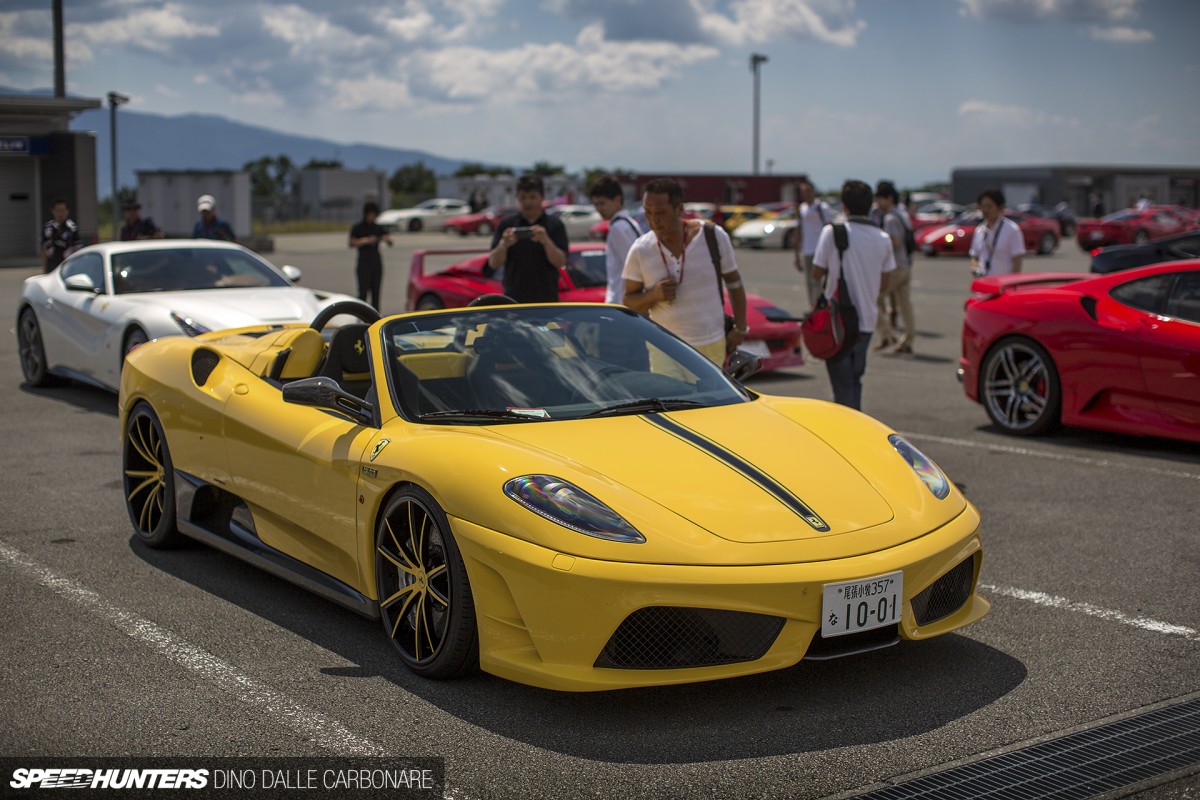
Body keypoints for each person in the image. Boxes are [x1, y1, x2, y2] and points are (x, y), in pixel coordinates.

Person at [622, 177, 748, 365]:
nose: (653, 220)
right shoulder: (641, 249)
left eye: (660, 213)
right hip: (665, 349)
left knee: (711, 396)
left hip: (710, 345)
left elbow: (734, 283)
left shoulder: (713, 237)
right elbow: (628, 302)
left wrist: (740, 329)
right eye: (648, 213)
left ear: (679, 209)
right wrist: (653, 296)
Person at [811, 180, 895, 410]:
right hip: (866, 321)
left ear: (844, 206)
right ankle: (854, 424)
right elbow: (885, 282)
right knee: (854, 381)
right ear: (870, 206)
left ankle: (848, 435)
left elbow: (816, 273)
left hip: (837, 321)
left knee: (842, 388)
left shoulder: (832, 232)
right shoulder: (883, 238)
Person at [485, 174, 568, 303]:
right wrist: (504, 244)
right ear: (517, 199)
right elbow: (493, 263)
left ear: (542, 197)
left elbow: (560, 262)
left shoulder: (554, 224)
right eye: (523, 197)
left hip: (546, 300)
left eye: (532, 197)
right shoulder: (507, 223)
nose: (528, 202)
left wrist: (546, 241)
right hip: (514, 299)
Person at [871, 181, 915, 354]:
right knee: (905, 305)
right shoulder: (902, 213)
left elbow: (895, 243)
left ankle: (886, 334)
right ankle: (908, 339)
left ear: (888, 198)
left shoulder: (889, 218)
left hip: (895, 267)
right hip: (906, 265)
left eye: (880, 199)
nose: (878, 203)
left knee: (873, 299)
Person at [587, 174, 642, 305]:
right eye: (596, 204)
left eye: (602, 203)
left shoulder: (618, 227)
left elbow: (632, 267)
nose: (599, 209)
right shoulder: (629, 223)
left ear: (617, 200)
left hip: (620, 301)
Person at [792, 178, 835, 310]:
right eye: (803, 192)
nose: (806, 194)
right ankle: (814, 307)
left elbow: (830, 227)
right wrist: (796, 254)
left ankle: (822, 306)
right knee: (810, 281)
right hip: (807, 249)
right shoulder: (802, 209)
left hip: (821, 249)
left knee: (821, 280)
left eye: (808, 191)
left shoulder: (822, 208)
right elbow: (799, 231)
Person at [969, 188, 1024, 277]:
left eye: (989, 206)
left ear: (1000, 207)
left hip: (1003, 287)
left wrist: (1013, 285)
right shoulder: (979, 230)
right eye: (983, 206)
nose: (985, 210)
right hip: (982, 286)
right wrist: (975, 268)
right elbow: (974, 256)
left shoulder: (1012, 230)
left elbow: (1017, 261)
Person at [348, 201, 393, 310]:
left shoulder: (378, 227)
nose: (371, 217)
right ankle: (361, 316)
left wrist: (386, 239)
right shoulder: (358, 227)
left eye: (374, 215)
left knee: (376, 293)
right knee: (363, 292)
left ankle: (375, 316)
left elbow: (390, 241)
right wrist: (366, 240)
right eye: (370, 214)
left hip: (376, 263)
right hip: (363, 263)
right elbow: (351, 243)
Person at [41, 197, 80, 273]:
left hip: (67, 264)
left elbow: (77, 249)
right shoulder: (47, 227)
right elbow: (44, 249)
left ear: (67, 211)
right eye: (57, 211)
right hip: (51, 264)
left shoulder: (72, 228)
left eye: (63, 211)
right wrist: (44, 268)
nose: (60, 214)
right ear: (52, 211)